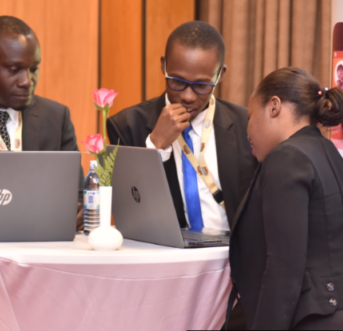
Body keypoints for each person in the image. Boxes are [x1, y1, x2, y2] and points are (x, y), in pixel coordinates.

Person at [107, 21, 256, 330]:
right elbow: (128, 212)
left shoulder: (247, 125)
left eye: (201, 85)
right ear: (163, 65)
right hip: (163, 276)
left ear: (220, 74)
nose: (187, 96)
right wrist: (155, 147)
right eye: (177, 82)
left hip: (233, 274)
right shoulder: (127, 125)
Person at [0, 16, 83, 331]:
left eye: (34, 69)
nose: (27, 81)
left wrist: (75, 210)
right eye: (14, 70)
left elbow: (76, 196)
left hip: (39, 287)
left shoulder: (57, 118)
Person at [227, 67, 343, 330]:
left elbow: (283, 269)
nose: (248, 131)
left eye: (250, 116)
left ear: (274, 106)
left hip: (318, 321)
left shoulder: (286, 157)